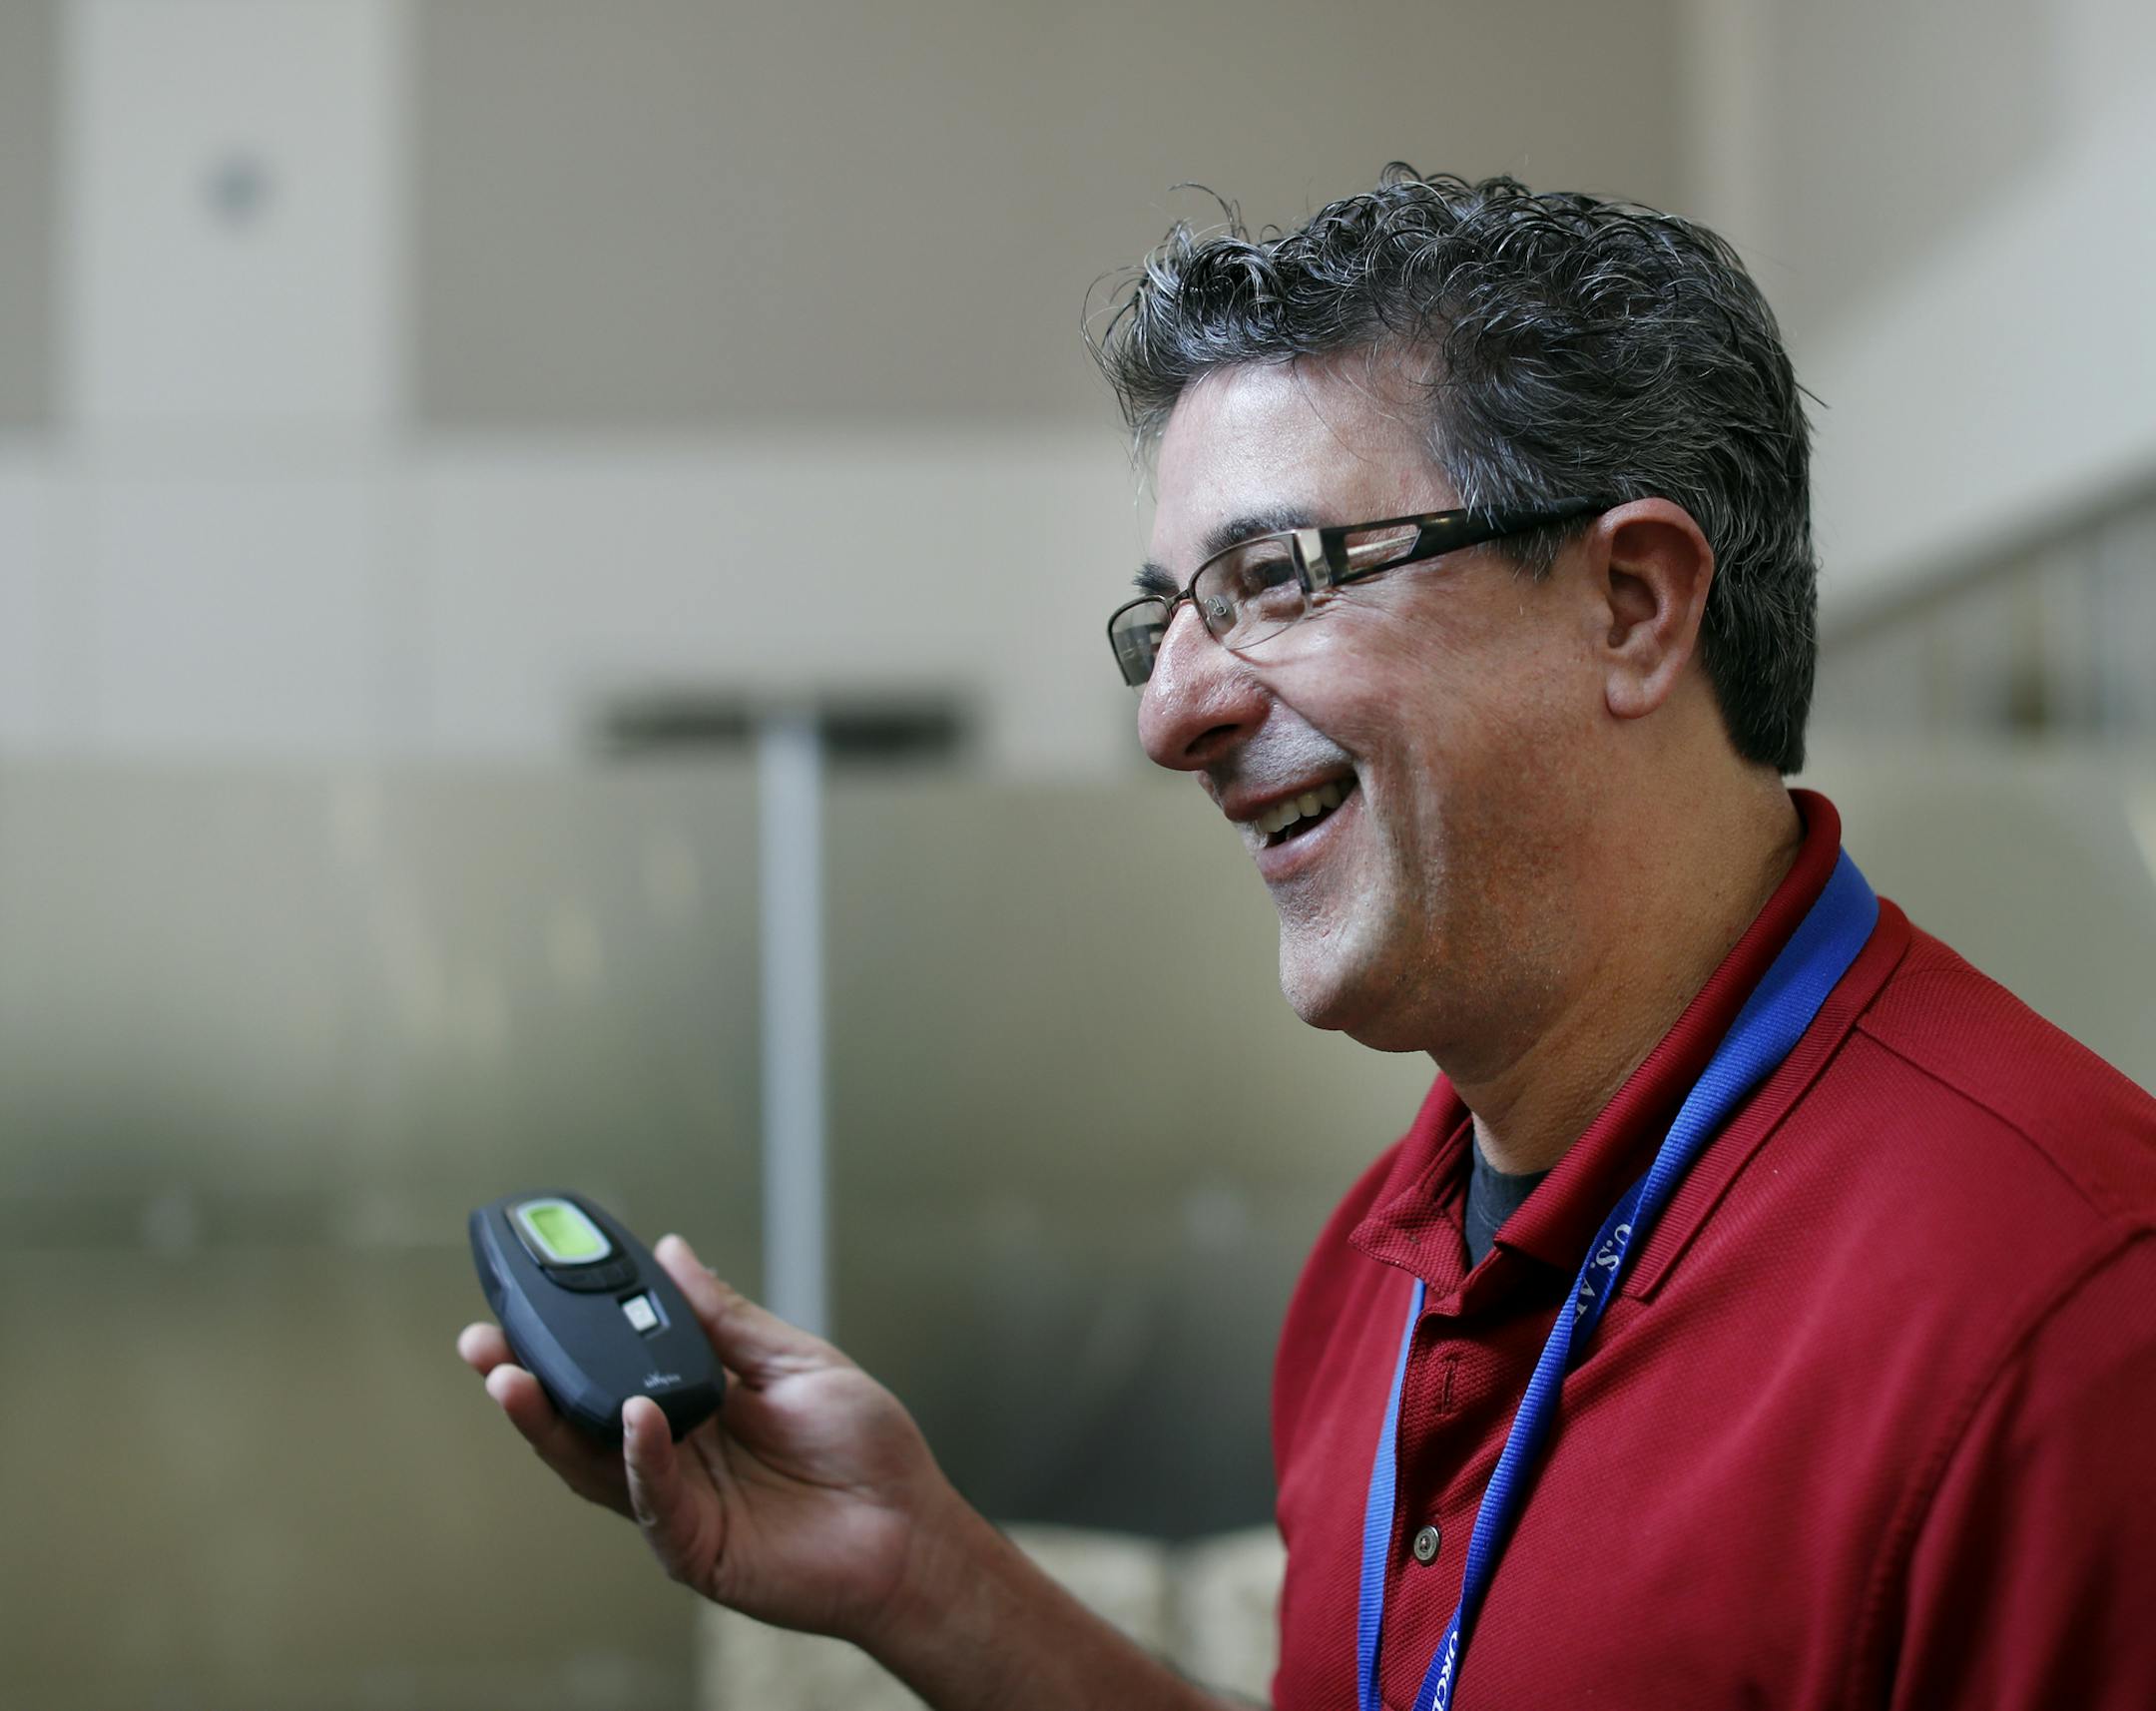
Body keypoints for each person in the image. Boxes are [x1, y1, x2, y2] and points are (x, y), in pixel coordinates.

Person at [457, 168, 2156, 1708]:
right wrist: (924, 1569)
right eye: (1165, 616)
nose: (1171, 713)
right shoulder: (1379, 1271)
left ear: (1632, 605)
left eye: (1275, 578)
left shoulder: (2065, 1331)